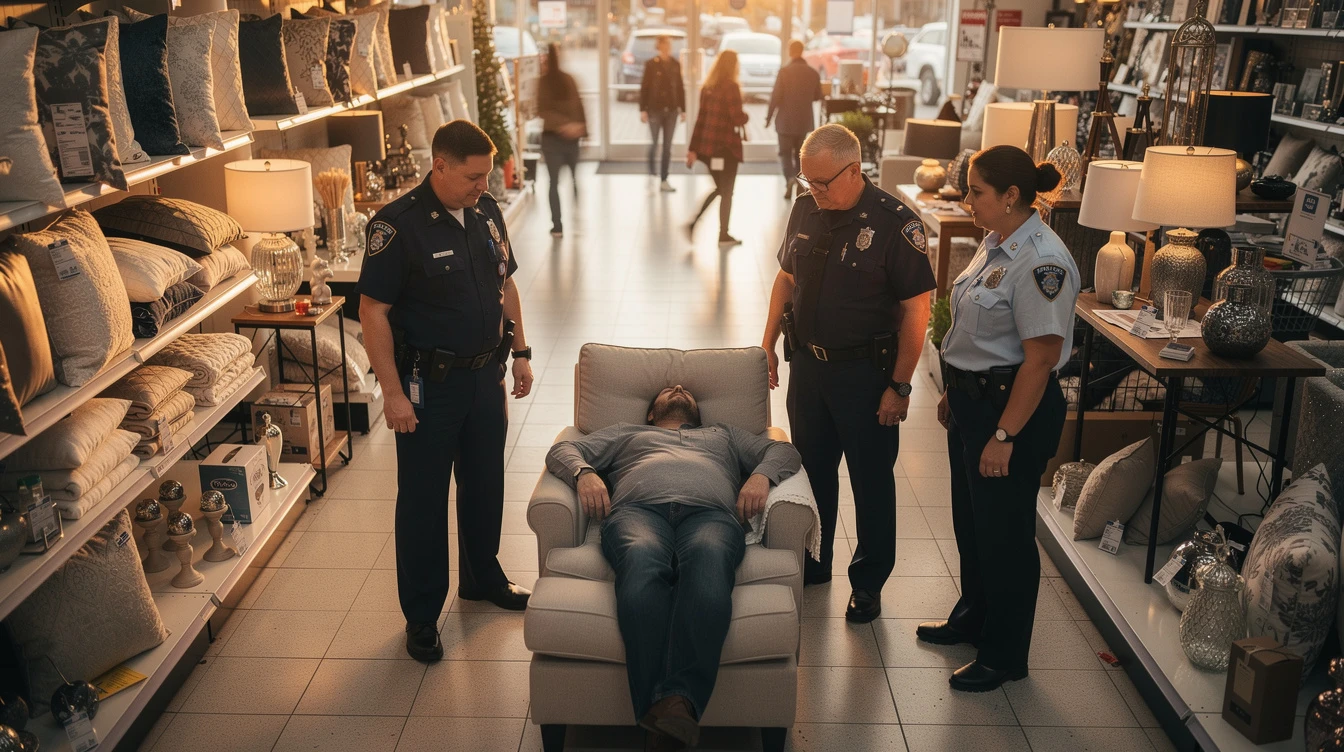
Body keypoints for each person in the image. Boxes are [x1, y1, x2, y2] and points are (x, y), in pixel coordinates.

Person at [356, 120, 536, 663]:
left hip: (486, 377)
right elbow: (373, 311)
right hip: (426, 387)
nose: (483, 185)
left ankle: (482, 577)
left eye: (486, 175)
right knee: (424, 502)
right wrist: (391, 393)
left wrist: (521, 352)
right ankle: (421, 616)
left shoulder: (486, 211)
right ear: (439, 166)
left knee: (485, 485)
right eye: (473, 176)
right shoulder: (397, 225)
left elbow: (506, 282)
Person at [544, 385, 801, 751]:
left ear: (699, 415)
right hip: (638, 513)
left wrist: (761, 476)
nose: (679, 387)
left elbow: (783, 449)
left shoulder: (724, 434)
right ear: (650, 414)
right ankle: (672, 716)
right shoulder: (625, 433)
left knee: (709, 580)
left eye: (684, 390)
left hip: (710, 517)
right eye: (668, 389)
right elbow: (563, 449)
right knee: (641, 574)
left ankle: (668, 714)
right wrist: (584, 472)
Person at [761, 124, 936, 624]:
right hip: (810, 371)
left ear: (855, 170)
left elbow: (917, 310)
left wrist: (900, 387)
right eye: (806, 181)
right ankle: (816, 562)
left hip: (867, 375)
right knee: (812, 473)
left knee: (871, 482)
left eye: (822, 183)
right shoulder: (805, 209)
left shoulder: (895, 224)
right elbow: (787, 277)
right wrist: (767, 343)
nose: (813, 192)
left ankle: (869, 583)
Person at [917, 145, 1077, 693]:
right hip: (974, 403)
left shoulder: (1042, 260)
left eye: (977, 191)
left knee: (1005, 536)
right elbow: (976, 327)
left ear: (1011, 196)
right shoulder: (995, 243)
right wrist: (954, 391)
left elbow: (1040, 360)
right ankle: (973, 618)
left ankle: (1006, 654)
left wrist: (1004, 435)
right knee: (972, 523)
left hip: (1011, 412)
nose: (967, 200)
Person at [686, 49, 748, 245]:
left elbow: (700, 120)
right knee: (726, 191)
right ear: (733, 66)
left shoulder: (708, 87)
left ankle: (698, 224)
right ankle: (721, 234)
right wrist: (746, 116)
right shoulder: (731, 87)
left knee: (721, 189)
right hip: (726, 149)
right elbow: (737, 117)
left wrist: (693, 149)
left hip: (708, 149)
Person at [537, 42, 587, 238]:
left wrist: (577, 128)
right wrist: (575, 127)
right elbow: (578, 105)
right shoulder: (566, 79)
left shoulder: (549, 81)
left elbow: (542, 110)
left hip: (556, 138)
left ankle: (558, 224)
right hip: (564, 138)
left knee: (556, 182)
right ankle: (567, 219)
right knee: (568, 180)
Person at [765, 39, 822, 201]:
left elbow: (775, 97)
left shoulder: (784, 72)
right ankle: (800, 184)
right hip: (803, 121)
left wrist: (768, 118)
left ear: (790, 52)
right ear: (802, 51)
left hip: (785, 121)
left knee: (784, 153)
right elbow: (818, 96)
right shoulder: (813, 73)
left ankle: (789, 178)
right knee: (800, 155)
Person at [639, 35, 685, 192]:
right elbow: (645, 88)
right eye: (664, 45)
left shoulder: (675, 64)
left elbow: (680, 87)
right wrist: (643, 109)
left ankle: (664, 178)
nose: (667, 48)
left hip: (671, 110)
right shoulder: (651, 65)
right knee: (654, 143)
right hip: (654, 109)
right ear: (659, 46)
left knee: (667, 146)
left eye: (669, 45)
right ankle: (652, 173)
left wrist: (683, 109)